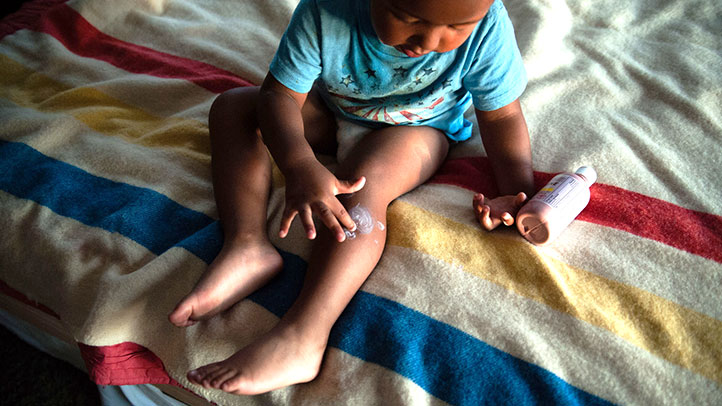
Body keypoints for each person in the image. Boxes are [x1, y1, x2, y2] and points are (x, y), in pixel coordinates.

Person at [168, 0, 534, 395]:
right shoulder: (327, 10)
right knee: (234, 108)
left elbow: (501, 117)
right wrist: (299, 164)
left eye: (457, 27)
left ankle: (303, 335)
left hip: (417, 129)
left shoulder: (487, 25)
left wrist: (515, 193)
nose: (429, 41)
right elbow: (280, 97)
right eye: (407, 18)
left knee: (365, 185)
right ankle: (246, 246)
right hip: (334, 112)